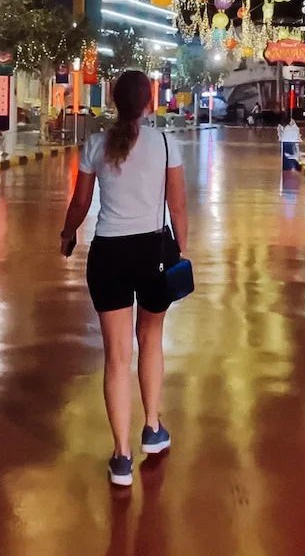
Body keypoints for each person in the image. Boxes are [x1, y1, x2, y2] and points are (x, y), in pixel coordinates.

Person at [60, 69, 188, 488]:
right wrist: (178, 252)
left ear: (114, 101)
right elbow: (178, 205)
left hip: (108, 255)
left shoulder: (96, 143)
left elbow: (80, 202)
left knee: (116, 357)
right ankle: (152, 427)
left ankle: (121, 457)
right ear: (149, 101)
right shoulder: (166, 143)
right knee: (150, 339)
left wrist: (67, 234)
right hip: (152, 251)